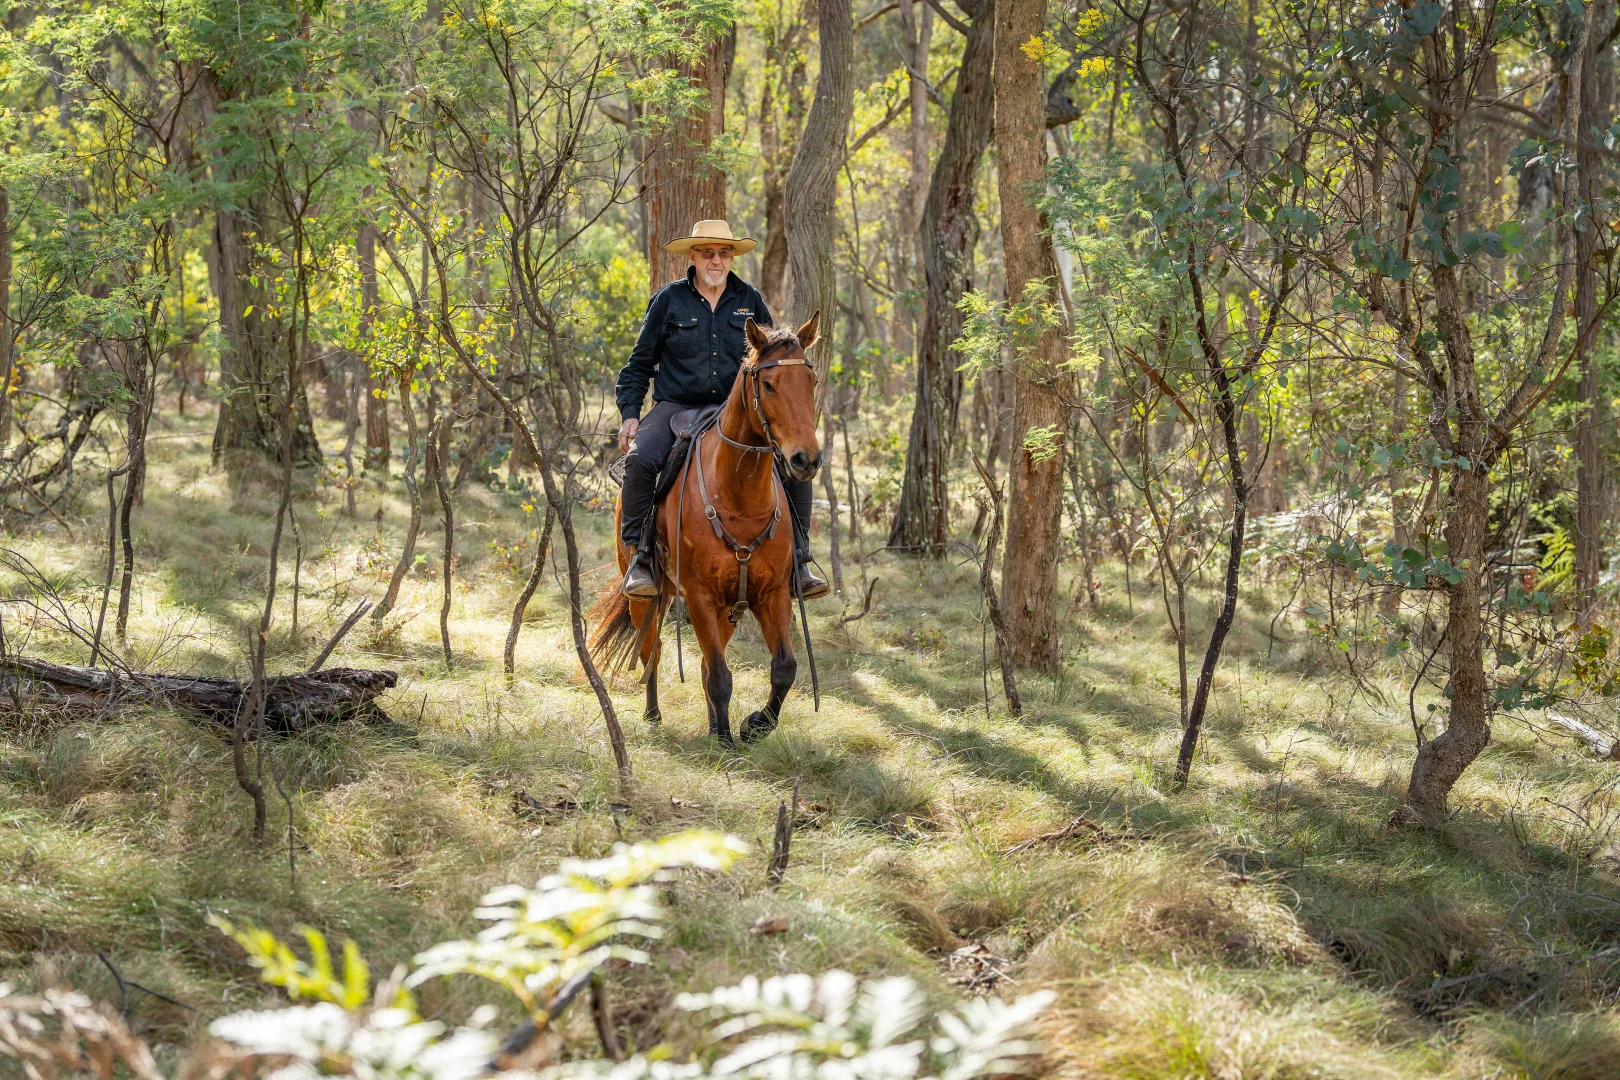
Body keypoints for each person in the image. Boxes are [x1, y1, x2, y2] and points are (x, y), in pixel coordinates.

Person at [614, 219, 831, 601]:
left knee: (796, 460)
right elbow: (639, 365)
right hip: (676, 406)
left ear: (732, 258)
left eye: (724, 253)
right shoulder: (668, 300)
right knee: (641, 458)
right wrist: (631, 413)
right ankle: (640, 558)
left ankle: (799, 560)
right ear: (693, 257)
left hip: (736, 411)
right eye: (708, 253)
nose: (716, 260)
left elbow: (773, 361)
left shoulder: (749, 299)